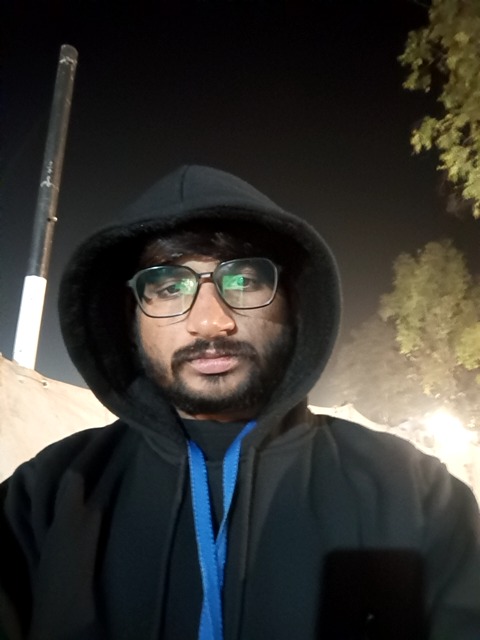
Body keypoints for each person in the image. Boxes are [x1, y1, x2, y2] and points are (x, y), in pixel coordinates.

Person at [1, 165, 479, 640]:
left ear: (293, 302)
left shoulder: (413, 495)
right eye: (169, 288)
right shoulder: (45, 497)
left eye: (244, 282)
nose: (211, 322)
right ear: (129, 319)